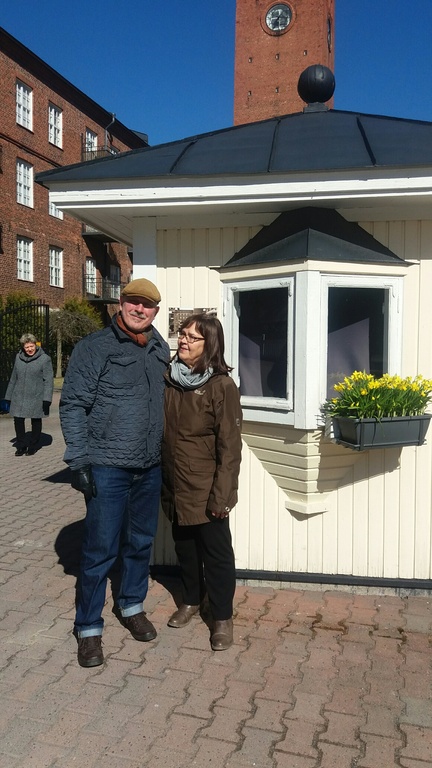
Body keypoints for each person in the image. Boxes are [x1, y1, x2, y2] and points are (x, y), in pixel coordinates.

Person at [60, 278, 170, 668]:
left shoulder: (159, 348)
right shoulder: (95, 347)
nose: (140, 309)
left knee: (140, 543)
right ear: (120, 304)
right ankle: (88, 627)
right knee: (100, 549)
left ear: (156, 311)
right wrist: (79, 461)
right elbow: (73, 404)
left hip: (149, 466)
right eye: (133, 302)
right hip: (108, 467)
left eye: (147, 305)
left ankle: (131, 605)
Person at [161, 314, 242, 651]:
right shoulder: (170, 379)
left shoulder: (221, 387)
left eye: (192, 337)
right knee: (185, 549)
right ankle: (192, 600)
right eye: (182, 334)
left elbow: (230, 448)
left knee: (216, 555)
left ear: (210, 345)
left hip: (206, 488)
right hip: (174, 483)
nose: (183, 340)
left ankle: (222, 617)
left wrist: (222, 496)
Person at [5, 333, 53, 456]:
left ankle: (33, 445)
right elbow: (13, 378)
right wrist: (8, 396)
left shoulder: (44, 359)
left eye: (31, 346)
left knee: (35, 420)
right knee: (18, 420)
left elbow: (48, 380)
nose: (29, 349)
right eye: (27, 347)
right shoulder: (18, 357)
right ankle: (21, 445)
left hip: (36, 395)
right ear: (23, 347)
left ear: (35, 345)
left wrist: (47, 398)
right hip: (19, 395)